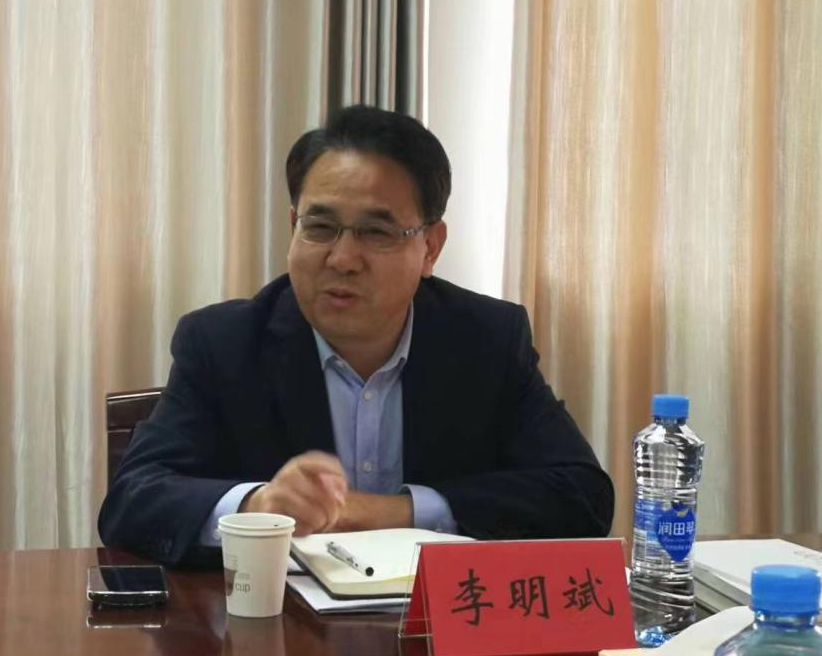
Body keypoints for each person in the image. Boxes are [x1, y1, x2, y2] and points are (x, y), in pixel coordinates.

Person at [98, 105, 613, 567]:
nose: (343, 259)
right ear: (293, 226)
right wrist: (259, 507)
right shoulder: (223, 343)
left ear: (431, 247)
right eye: (320, 228)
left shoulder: (486, 339)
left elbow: (581, 495)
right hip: (278, 630)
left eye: (376, 232)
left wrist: (398, 512)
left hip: (435, 629)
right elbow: (133, 499)